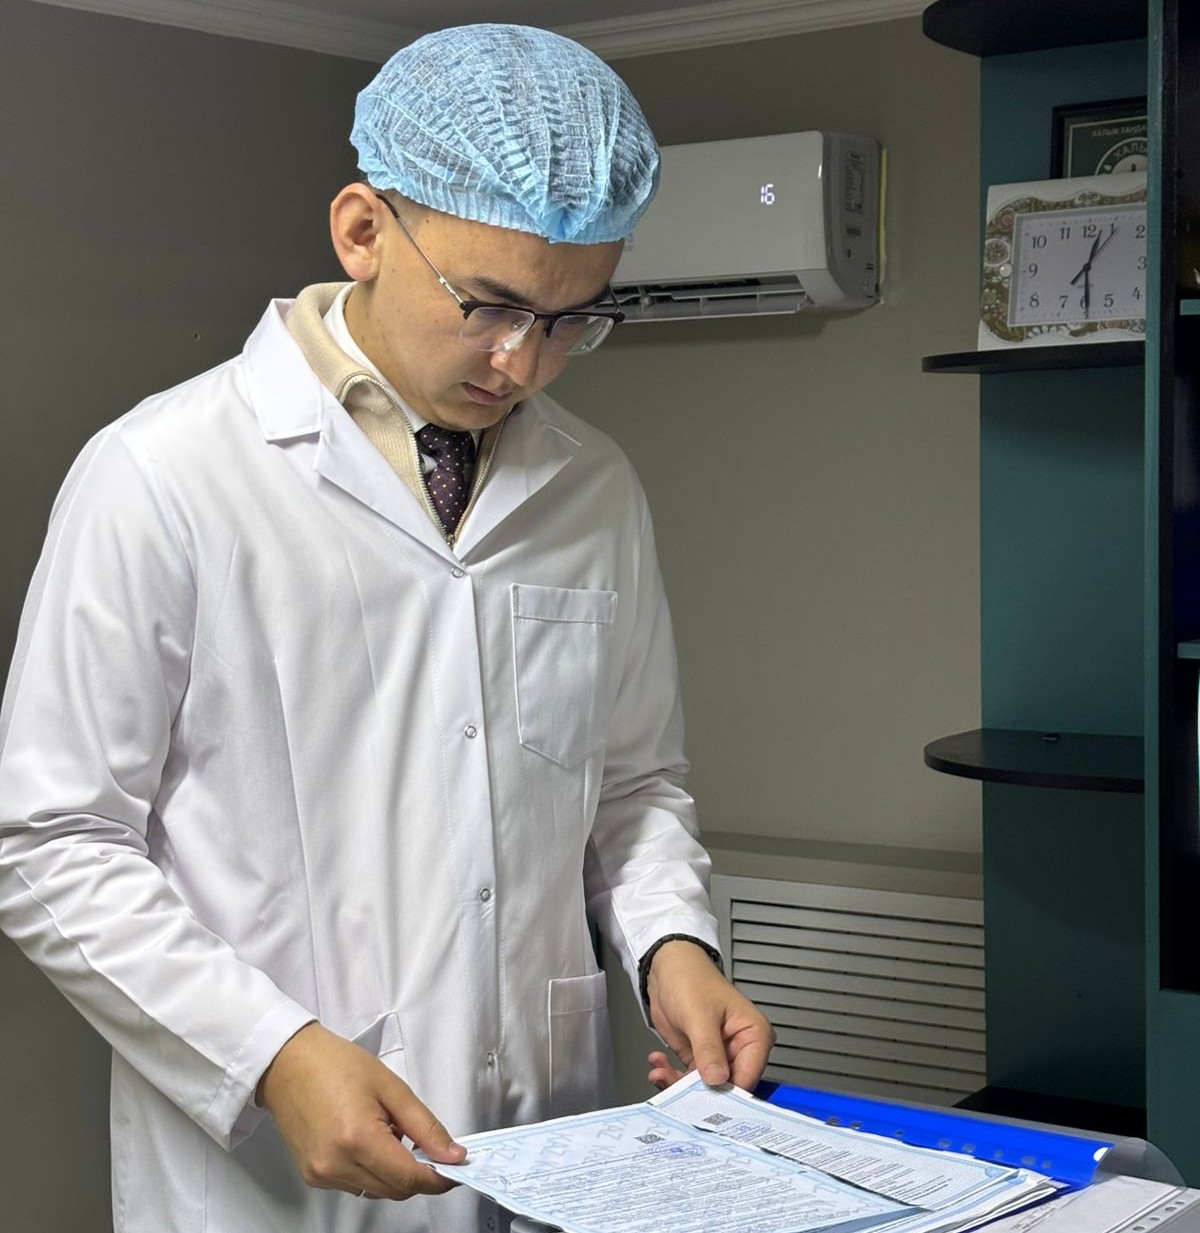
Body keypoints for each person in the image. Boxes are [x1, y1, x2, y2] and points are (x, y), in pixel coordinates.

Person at [0, 22, 773, 1233]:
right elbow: (50, 840)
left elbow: (629, 786)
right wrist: (273, 1051)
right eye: (491, 306)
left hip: (549, 1151)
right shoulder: (162, 474)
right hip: (267, 1179)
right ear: (362, 230)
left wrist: (673, 946)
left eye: (572, 320)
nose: (523, 363)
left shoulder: (595, 487)